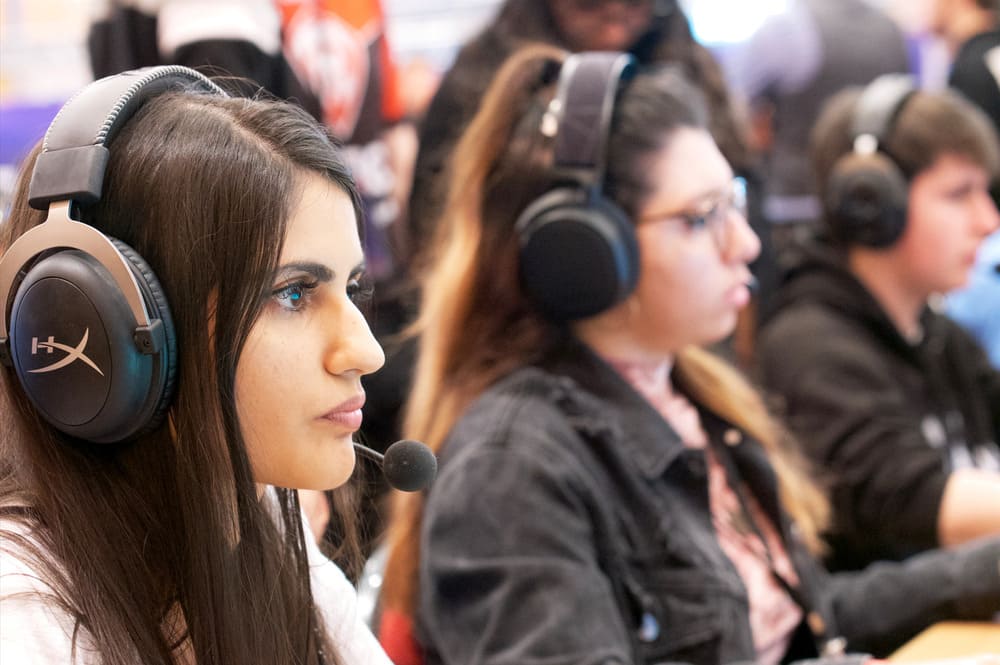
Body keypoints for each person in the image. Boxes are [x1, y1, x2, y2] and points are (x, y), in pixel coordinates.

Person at [378, 46, 1000, 665]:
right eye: (703, 218)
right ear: (587, 254)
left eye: (733, 202)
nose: (747, 242)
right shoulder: (514, 469)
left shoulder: (691, 394)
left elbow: (803, 620)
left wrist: (980, 572)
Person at [0, 67, 391, 664]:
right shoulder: (27, 627)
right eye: (293, 293)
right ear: (105, 340)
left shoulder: (260, 536)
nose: (366, 352)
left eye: (353, 287)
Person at [756, 75, 1000, 573]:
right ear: (870, 204)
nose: (988, 219)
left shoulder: (937, 334)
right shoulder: (809, 347)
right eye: (959, 195)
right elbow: (912, 503)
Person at [728, 0, 910, 255]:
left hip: (796, 207)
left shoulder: (787, 26)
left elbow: (739, 108)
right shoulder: (891, 30)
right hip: (871, 202)